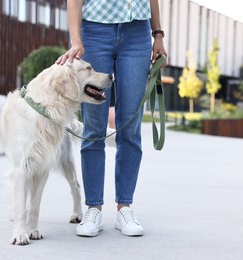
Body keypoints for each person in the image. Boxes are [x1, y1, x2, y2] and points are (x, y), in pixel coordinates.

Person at [56, 0, 167, 237]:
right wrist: (76, 40)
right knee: (94, 127)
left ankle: (124, 207)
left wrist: (157, 34)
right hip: (95, 31)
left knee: (130, 127)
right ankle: (93, 208)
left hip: (137, 33)